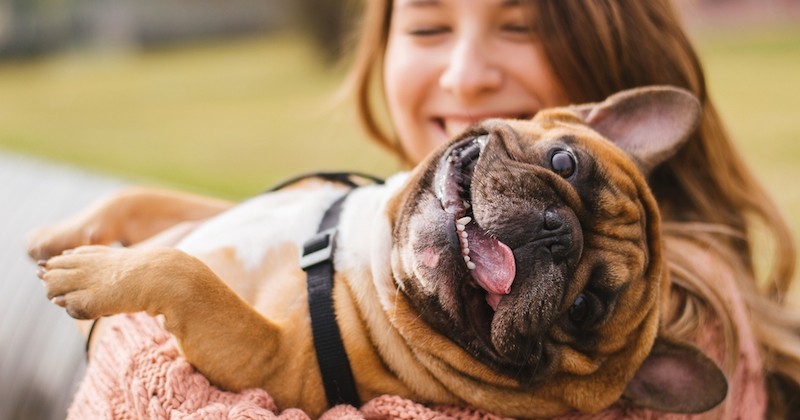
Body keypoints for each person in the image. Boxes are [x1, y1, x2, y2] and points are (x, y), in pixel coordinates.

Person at [32, 0, 800, 418]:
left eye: (591, 300)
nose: (465, 76)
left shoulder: (687, 311)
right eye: (429, 26)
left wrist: (135, 317)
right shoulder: (392, 215)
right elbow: (268, 230)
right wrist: (138, 216)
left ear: (607, 74)